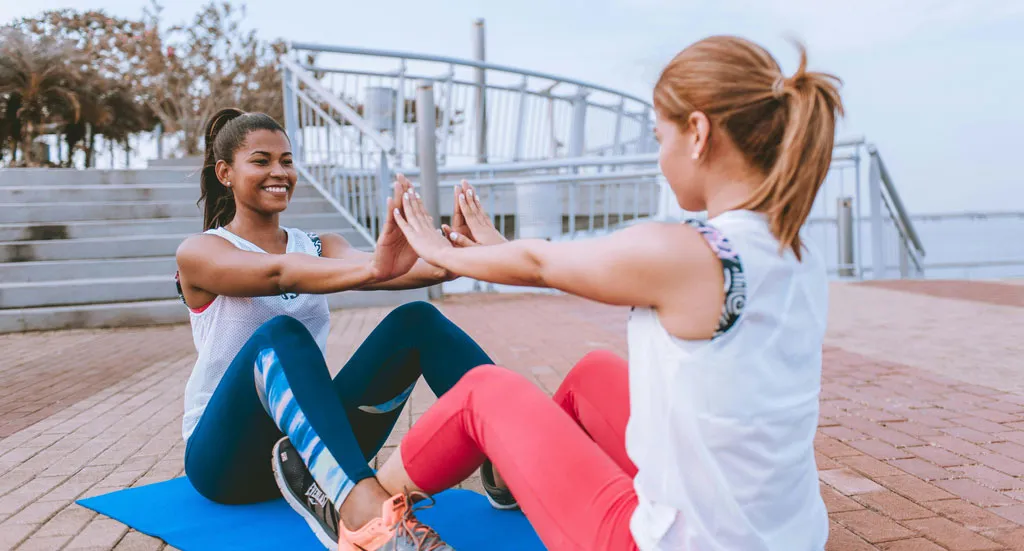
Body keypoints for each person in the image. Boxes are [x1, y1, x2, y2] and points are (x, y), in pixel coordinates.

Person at [337, 35, 844, 550]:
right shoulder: (793, 250)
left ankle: (369, 518)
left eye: (658, 136)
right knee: (592, 376)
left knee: (483, 391)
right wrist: (501, 251)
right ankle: (514, 478)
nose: (659, 156)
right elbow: (553, 263)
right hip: (787, 538)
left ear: (697, 132)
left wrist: (440, 251)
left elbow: (540, 266)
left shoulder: (689, 252)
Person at [174, 107, 509, 550]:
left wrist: (460, 255)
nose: (279, 172)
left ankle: (511, 463)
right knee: (280, 334)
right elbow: (278, 274)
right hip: (226, 461)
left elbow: (395, 271)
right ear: (225, 173)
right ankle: (363, 518)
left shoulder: (319, 245)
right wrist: (375, 268)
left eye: (287, 161)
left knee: (418, 319)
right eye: (261, 161)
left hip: (311, 449)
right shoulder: (201, 252)